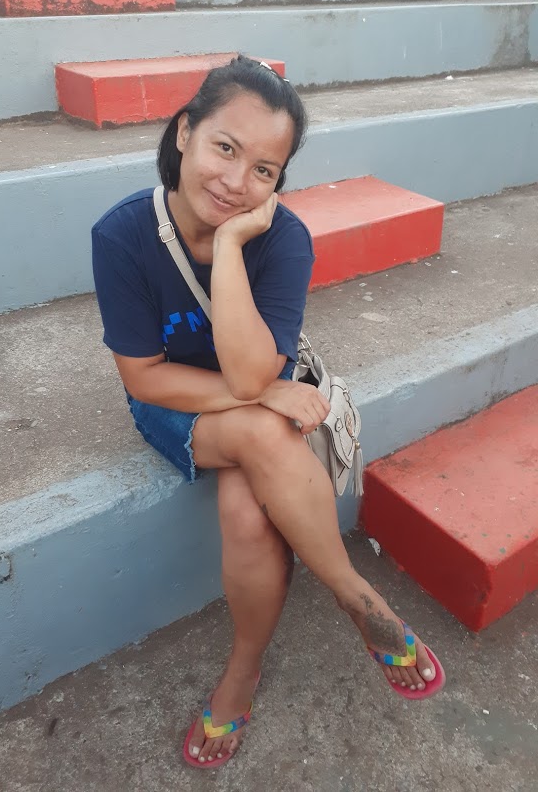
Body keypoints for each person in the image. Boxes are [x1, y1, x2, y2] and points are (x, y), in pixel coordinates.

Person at [92, 55, 444, 770]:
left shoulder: (283, 239)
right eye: (224, 147)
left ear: (279, 180)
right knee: (256, 426)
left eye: (263, 169)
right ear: (185, 132)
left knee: (248, 515)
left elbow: (253, 371)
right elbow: (144, 377)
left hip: (253, 396)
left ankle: (243, 671)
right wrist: (261, 395)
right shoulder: (122, 235)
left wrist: (228, 245)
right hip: (176, 403)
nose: (235, 181)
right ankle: (353, 594)